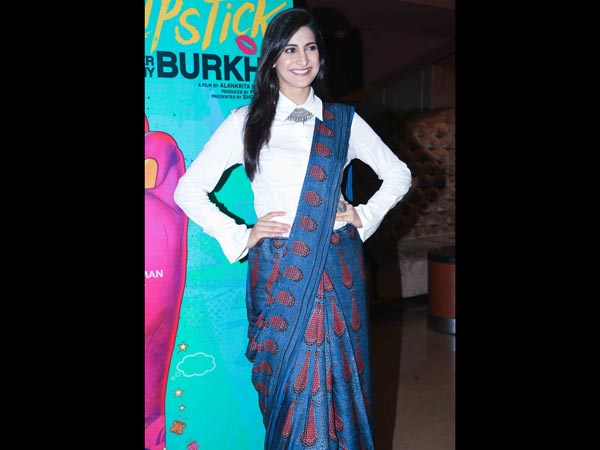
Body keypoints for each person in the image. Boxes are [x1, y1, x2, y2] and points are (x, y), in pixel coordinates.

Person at [173, 7, 412, 449]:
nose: (302, 59)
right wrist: (241, 234)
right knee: (288, 386)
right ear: (272, 58)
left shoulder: (342, 121)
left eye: (310, 48)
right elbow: (187, 190)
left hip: (337, 269)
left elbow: (398, 174)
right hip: (278, 270)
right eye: (289, 49)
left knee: (343, 383)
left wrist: (362, 215)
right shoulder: (247, 121)